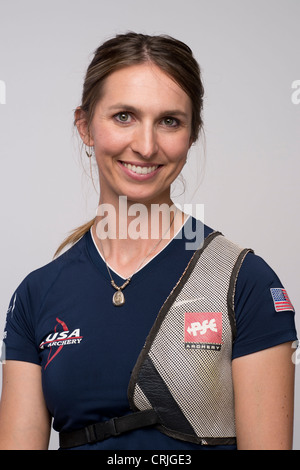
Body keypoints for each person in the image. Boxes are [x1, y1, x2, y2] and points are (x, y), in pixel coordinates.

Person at [0, 32, 297, 451]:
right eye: (124, 116)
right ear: (85, 126)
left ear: (192, 135)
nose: (144, 145)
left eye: (169, 121)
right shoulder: (37, 294)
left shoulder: (244, 282)